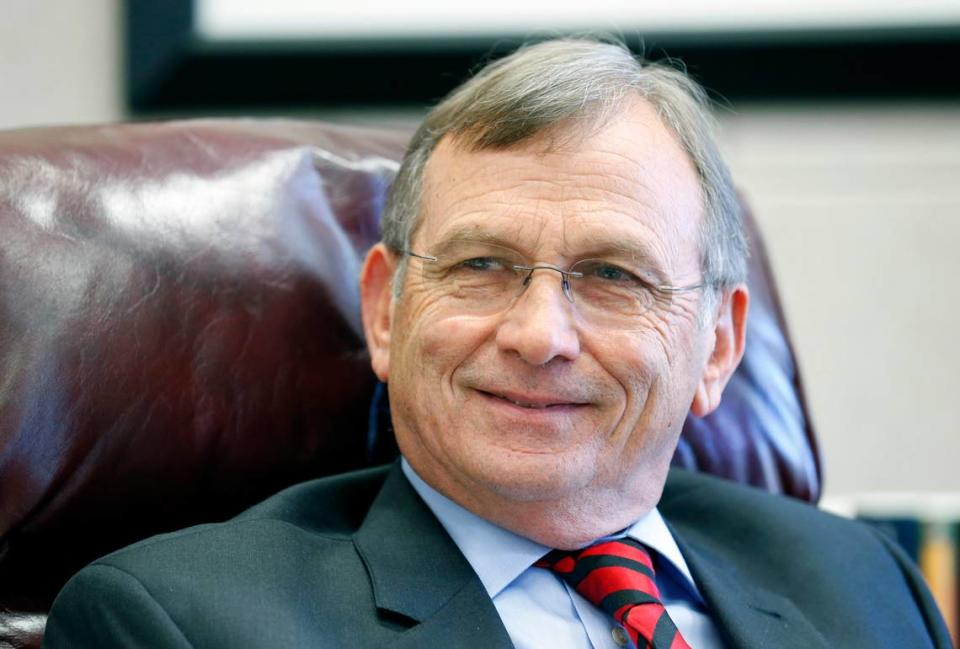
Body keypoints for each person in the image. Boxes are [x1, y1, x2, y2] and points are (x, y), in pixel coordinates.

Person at [43, 38, 950, 648]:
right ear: (388, 310)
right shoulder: (181, 624)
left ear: (717, 348)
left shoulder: (867, 587)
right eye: (481, 263)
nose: (538, 334)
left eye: (612, 275)